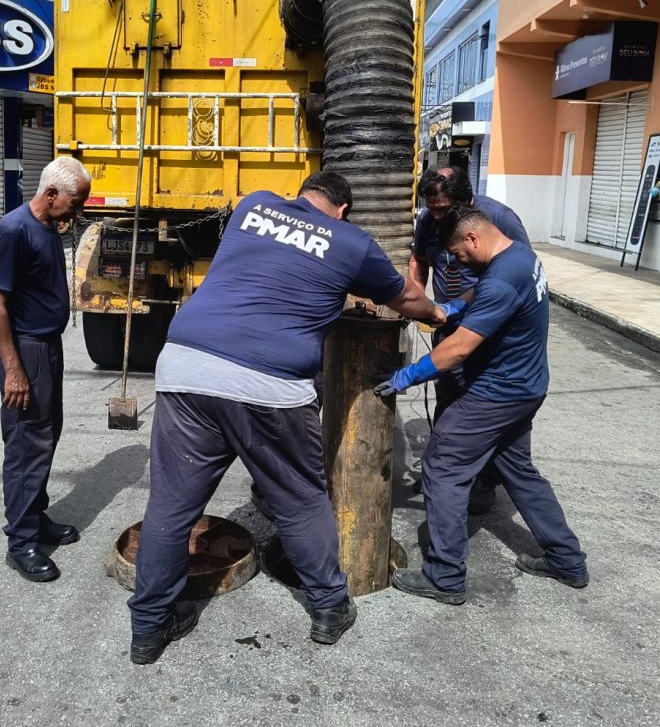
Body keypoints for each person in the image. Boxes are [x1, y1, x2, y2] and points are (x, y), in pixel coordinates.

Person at [127, 171, 447, 665]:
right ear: (343, 210)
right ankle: (328, 608)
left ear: (303, 194)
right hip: (268, 384)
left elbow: (275, 265)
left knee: (171, 508)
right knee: (300, 500)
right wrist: (438, 315)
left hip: (186, 364)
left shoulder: (253, 204)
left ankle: (149, 629)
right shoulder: (351, 241)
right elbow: (403, 297)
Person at [377, 206, 588, 604]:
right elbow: (484, 288)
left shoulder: (502, 280)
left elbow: (457, 350)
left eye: (458, 253)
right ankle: (567, 559)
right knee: (518, 470)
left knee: (443, 468)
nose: (457, 261)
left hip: (497, 393)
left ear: (473, 238)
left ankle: (445, 577)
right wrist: (457, 305)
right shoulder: (520, 256)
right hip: (528, 386)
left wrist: (407, 376)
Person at [0, 156, 91, 582]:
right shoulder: (13, 231)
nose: (78, 210)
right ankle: (22, 541)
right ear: (50, 195)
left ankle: (37, 516)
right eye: (75, 202)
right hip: (25, 353)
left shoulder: (48, 227)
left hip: (46, 349)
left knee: (46, 437)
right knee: (28, 446)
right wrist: (13, 370)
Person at [410, 167, 531, 512]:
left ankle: (485, 481)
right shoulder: (428, 221)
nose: (436, 215)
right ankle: (448, 471)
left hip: (488, 329)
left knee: (483, 405)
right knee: (448, 397)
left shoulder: (498, 218)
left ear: (467, 201)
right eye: (431, 208)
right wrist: (418, 298)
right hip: (447, 323)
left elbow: (520, 270)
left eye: (444, 208)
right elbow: (419, 261)